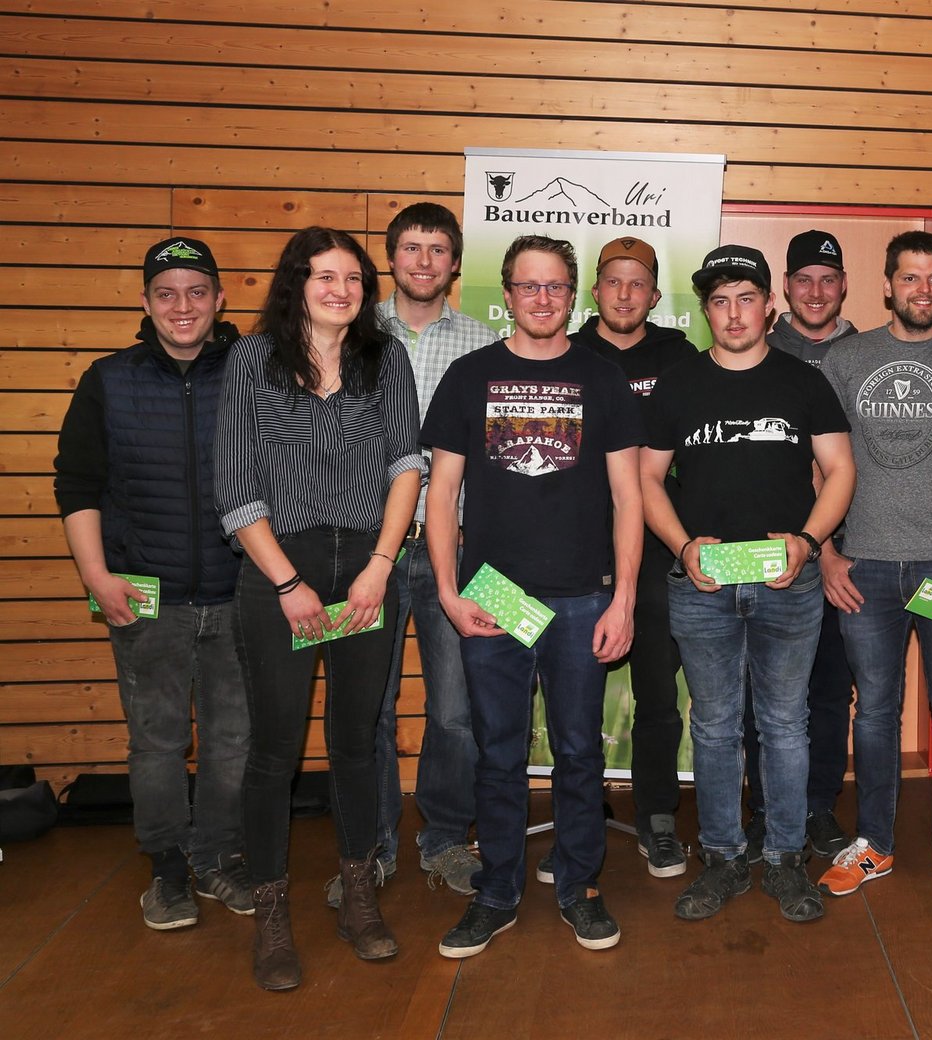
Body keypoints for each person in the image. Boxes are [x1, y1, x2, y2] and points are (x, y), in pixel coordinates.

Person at [424, 235, 644, 957]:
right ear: (508, 294)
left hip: (583, 598)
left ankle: (580, 886)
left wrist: (624, 600)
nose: (542, 299)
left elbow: (629, 497)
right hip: (492, 597)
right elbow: (442, 494)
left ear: (573, 296)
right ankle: (496, 893)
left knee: (580, 753)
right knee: (497, 754)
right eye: (529, 286)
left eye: (555, 287)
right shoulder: (469, 376)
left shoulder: (602, 379)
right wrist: (449, 593)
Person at [215, 226, 422, 990]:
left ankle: (359, 897)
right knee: (274, 750)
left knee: (357, 744)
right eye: (325, 276)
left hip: (367, 568)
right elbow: (235, 485)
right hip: (281, 572)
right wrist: (285, 584)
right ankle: (272, 914)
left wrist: (380, 567)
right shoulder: (251, 360)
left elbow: (407, 465)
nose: (341, 290)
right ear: (296, 284)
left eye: (353, 278)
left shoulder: (385, 358)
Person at [641, 245, 855, 925]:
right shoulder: (678, 384)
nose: (733, 314)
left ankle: (786, 858)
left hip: (787, 581)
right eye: (719, 301)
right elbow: (647, 478)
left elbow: (841, 471)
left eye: (746, 299)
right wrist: (683, 546)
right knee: (713, 726)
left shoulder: (804, 382)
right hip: (701, 583)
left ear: (769, 305)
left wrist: (808, 542)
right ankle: (724, 858)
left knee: (785, 723)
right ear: (706, 310)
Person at [54, 237, 252, 930]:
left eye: (197, 292)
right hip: (145, 598)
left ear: (219, 299)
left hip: (239, 593)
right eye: (166, 294)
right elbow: (77, 485)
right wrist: (96, 576)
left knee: (234, 741)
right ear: (145, 302)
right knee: (158, 742)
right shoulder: (108, 380)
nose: (182, 307)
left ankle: (218, 857)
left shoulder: (254, 373)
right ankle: (167, 869)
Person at [817, 231, 932, 904]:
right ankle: (874, 844)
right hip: (864, 566)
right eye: (911, 277)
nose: (924, 290)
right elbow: (821, 464)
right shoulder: (846, 359)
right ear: (887, 286)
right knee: (873, 712)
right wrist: (826, 552)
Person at [344, 203, 495, 906]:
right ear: (391, 257)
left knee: (455, 711)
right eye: (411, 247)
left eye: (438, 249)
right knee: (366, 709)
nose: (425, 261)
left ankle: (445, 839)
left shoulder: (483, 343)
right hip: (366, 550)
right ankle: (370, 848)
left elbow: (495, 457)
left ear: (455, 263)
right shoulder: (351, 333)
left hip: (454, 552)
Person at [569, 236, 699, 877]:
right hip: (574, 543)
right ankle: (578, 817)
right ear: (595, 291)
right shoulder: (565, 351)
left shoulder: (679, 357)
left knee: (656, 691)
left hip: (654, 546)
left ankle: (657, 817)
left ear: (654, 294)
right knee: (573, 693)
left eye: (637, 283)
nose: (625, 294)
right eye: (613, 282)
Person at [745, 228, 858, 861]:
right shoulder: (756, 348)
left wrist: (837, 550)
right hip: (773, 554)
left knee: (829, 689)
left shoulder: (869, 353)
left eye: (828, 279)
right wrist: (822, 548)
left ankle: (817, 805)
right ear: (784, 289)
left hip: (852, 554)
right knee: (762, 694)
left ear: (844, 286)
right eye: (804, 279)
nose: (816, 291)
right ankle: (765, 808)